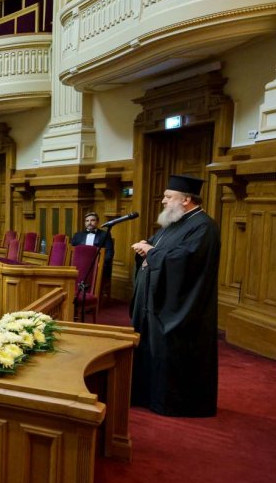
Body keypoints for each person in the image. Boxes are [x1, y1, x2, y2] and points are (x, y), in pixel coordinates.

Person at [130, 174, 221, 418]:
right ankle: (146, 395)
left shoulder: (204, 227)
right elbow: (157, 246)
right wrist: (145, 248)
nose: (163, 201)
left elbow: (186, 262)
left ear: (186, 200)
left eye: (168, 196)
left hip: (181, 307)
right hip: (154, 302)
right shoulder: (175, 223)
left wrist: (152, 253)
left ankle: (170, 403)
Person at [71, 211, 116, 288]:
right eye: (87, 221)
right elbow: (72, 252)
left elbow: (109, 252)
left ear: (97, 222)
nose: (89, 223)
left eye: (92, 220)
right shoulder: (77, 235)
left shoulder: (105, 235)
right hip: (80, 265)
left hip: (97, 265)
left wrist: (101, 263)